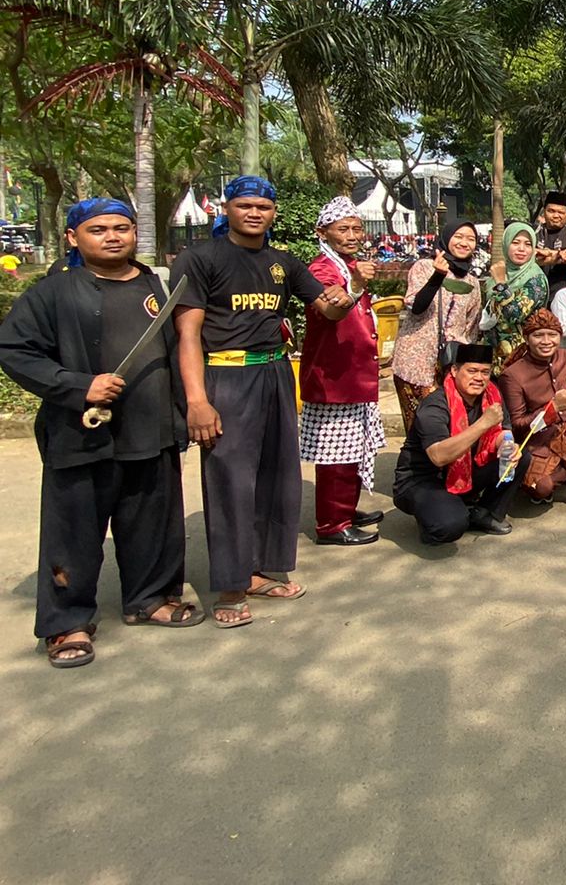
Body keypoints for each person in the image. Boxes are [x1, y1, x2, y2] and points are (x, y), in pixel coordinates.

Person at [0, 200, 198, 667]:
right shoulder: (54, 293)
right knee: (73, 531)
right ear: (73, 238)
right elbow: (14, 349)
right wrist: (77, 384)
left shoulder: (157, 286)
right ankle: (66, 622)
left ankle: (150, 599)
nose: (112, 237)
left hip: (151, 429)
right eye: (98, 229)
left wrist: (185, 411)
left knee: (153, 521)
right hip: (82, 434)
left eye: (122, 228)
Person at [171, 176, 356, 627]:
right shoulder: (200, 259)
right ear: (227, 209)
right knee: (231, 481)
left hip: (275, 372)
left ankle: (261, 571)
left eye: (263, 207)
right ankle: (231, 587)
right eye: (245, 205)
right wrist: (196, 400)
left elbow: (327, 308)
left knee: (278, 475)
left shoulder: (283, 263)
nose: (255, 213)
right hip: (227, 376)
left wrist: (341, 301)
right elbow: (187, 334)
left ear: (273, 212)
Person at [299, 197, 386, 547]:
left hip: (352, 373)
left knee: (353, 447)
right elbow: (330, 311)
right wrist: (355, 285)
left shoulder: (346, 264)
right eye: (343, 229)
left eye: (356, 227)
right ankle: (332, 523)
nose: (352, 235)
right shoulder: (322, 269)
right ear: (324, 233)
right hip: (334, 376)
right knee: (335, 453)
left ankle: (345, 510)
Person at [390, 345, 518, 542]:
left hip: (467, 468)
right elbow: (439, 456)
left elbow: (504, 431)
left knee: (522, 456)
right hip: (423, 479)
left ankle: (484, 513)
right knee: (449, 525)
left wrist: (508, 446)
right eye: (472, 371)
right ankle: (435, 515)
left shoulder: (492, 394)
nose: (479, 378)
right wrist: (483, 424)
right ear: (455, 371)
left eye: (485, 372)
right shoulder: (435, 404)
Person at [497, 309, 566, 513]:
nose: (546, 341)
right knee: (541, 489)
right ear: (527, 338)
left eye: (552, 335)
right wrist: (551, 408)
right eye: (538, 335)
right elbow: (518, 426)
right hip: (539, 442)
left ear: (560, 336)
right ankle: (564, 474)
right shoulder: (512, 375)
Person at [392, 219, 483, 430]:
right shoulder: (424, 267)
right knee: (417, 428)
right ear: (446, 238)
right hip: (415, 364)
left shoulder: (472, 282)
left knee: (444, 428)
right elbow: (416, 307)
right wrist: (437, 276)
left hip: (449, 366)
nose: (464, 243)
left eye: (470, 239)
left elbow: (471, 327)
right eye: (458, 237)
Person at [481, 220, 550, 374]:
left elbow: (514, 314)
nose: (521, 249)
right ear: (506, 245)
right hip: (491, 357)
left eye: (527, 244)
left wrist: (501, 283)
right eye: (515, 242)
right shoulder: (498, 273)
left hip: (521, 359)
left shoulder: (535, 279)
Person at [532, 191, 566, 293]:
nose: (556, 216)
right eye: (551, 211)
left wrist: (546, 254)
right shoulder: (533, 233)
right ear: (544, 212)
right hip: (533, 294)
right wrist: (559, 256)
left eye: (561, 212)